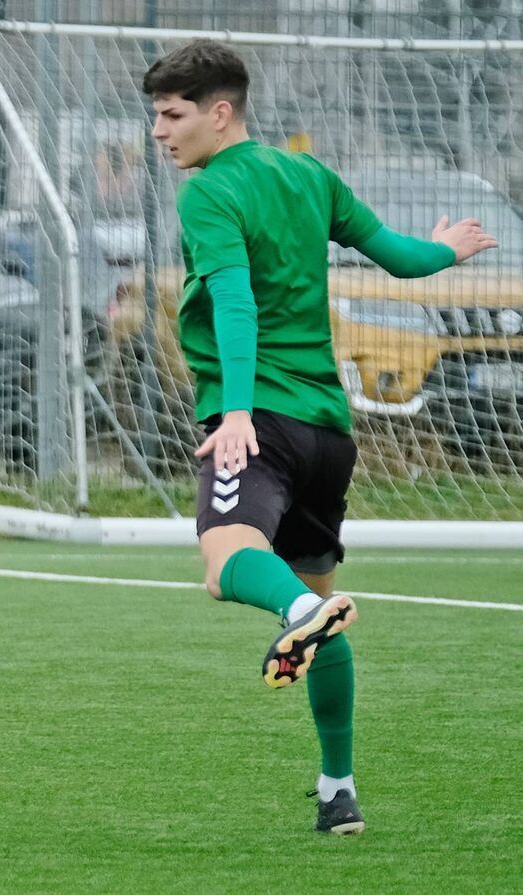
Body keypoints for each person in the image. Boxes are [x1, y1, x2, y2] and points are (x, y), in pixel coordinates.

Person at [142, 41, 497, 835]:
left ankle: (303, 609)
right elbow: (400, 259)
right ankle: (338, 789)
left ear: (219, 112)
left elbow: (234, 303)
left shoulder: (208, 195)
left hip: (259, 417)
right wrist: (450, 249)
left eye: (173, 116)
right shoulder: (310, 176)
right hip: (329, 429)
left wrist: (234, 412)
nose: (160, 133)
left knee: (225, 559)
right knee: (317, 591)